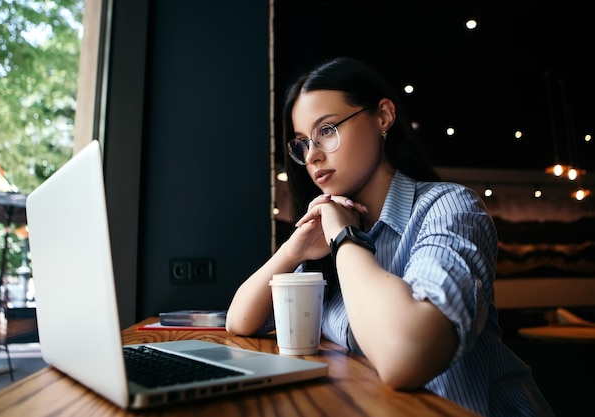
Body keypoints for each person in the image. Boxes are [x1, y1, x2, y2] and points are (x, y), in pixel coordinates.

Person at [226, 57, 554, 417]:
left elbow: (405, 356)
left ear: (383, 116)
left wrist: (344, 236)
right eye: (303, 143)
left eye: (327, 130)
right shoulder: (331, 234)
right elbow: (241, 322)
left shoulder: (447, 208)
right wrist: (293, 250)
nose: (313, 156)